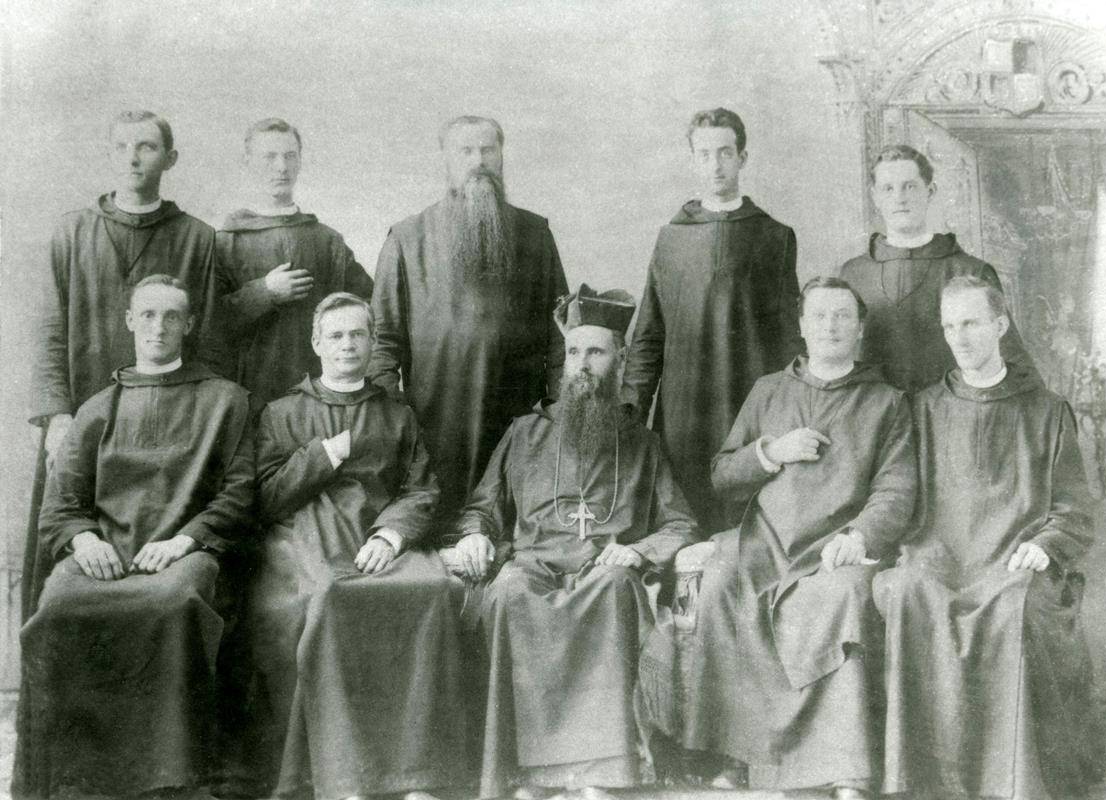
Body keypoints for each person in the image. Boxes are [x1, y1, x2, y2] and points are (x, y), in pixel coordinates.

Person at [639, 277, 915, 799]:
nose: (830, 326)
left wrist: (860, 535)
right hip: (763, 542)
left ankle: (842, 769)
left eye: (842, 316)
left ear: (860, 329)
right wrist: (772, 451)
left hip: (835, 548)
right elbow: (722, 473)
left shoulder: (886, 401)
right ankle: (733, 757)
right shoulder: (770, 390)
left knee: (843, 597)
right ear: (801, 326)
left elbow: (897, 489)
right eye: (819, 316)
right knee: (718, 584)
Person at [452, 284, 698, 800]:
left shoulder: (642, 442)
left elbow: (680, 524)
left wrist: (637, 551)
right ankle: (525, 775)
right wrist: (475, 535)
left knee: (614, 590)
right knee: (509, 594)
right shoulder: (524, 432)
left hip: (603, 570)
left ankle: (602, 773)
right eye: (573, 352)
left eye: (596, 352)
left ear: (620, 359)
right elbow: (483, 509)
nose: (582, 364)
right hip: (534, 566)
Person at [13, 275, 254, 799]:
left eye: (171, 317)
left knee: (175, 603)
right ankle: (79, 777)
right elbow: (61, 505)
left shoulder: (225, 400)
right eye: (147, 315)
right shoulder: (98, 408)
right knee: (59, 604)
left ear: (189, 325)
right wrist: (84, 541)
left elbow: (237, 497)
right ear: (129, 322)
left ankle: (170, 779)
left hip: (184, 553)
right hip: (106, 552)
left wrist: (185, 541)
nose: (158, 328)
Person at [874, 276, 1102, 800]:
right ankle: (923, 783)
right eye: (950, 326)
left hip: (1012, 561)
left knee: (1013, 608)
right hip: (940, 553)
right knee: (909, 589)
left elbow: (1073, 510)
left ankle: (1015, 784)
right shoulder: (925, 407)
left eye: (972, 323)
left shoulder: (1046, 409)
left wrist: (1045, 545)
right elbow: (901, 494)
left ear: (1000, 325)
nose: (960, 337)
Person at [248, 292, 466, 799]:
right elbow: (265, 497)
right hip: (306, 538)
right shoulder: (282, 413)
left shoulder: (396, 415)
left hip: (377, 538)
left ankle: (416, 776)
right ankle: (345, 778)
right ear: (316, 343)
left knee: (430, 591)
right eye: (337, 335)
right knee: (331, 597)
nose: (348, 345)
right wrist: (320, 456)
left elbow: (420, 490)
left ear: (372, 343)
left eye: (358, 335)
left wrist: (391, 535)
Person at [24, 110, 226, 619]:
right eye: (122, 147)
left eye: (147, 147)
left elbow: (210, 335)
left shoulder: (196, 237)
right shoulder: (72, 232)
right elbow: (50, 330)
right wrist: (57, 417)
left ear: (169, 158)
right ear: (109, 154)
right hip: (83, 422)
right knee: (72, 551)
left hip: (166, 426)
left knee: (162, 568)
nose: (133, 157)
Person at [371, 115, 569, 527]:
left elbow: (560, 333)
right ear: (446, 159)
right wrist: (395, 418)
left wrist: (553, 411)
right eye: (465, 151)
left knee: (508, 535)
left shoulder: (535, 234)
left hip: (516, 415)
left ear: (500, 156)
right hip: (436, 416)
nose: (478, 160)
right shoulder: (407, 238)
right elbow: (383, 341)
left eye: (487, 150)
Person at [622, 107, 801, 534]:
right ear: (692, 159)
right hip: (686, 407)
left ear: (742, 158)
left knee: (750, 515)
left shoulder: (774, 236)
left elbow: (790, 336)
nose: (715, 165)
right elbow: (650, 333)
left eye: (724, 153)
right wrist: (630, 411)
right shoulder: (671, 238)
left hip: (750, 397)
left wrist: (791, 410)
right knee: (685, 516)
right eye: (704, 155)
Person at [840, 144, 1034, 393]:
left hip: (950, 417)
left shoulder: (970, 271)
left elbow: (1008, 360)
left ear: (930, 191)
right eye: (888, 188)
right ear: (875, 197)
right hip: (874, 419)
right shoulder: (853, 274)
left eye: (910, 186)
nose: (900, 197)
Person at [216, 118, 371, 410]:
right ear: (247, 162)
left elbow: (368, 305)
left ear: (300, 162)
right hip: (248, 392)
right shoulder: (226, 243)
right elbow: (206, 325)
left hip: (320, 396)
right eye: (269, 157)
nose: (281, 167)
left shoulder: (327, 241)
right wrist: (264, 292)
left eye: (289, 156)